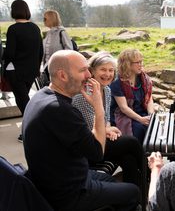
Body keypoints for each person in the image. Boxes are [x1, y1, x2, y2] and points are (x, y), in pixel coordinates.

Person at [22, 50, 140, 211]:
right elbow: (97, 152)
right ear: (63, 75)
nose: (88, 75)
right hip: (68, 193)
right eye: (83, 70)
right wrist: (98, 108)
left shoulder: (41, 96)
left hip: (58, 178)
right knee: (133, 192)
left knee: (113, 179)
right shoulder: (59, 109)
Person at [72, 51, 143, 186]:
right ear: (92, 71)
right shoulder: (84, 95)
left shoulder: (107, 90)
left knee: (129, 159)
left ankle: (136, 197)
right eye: (103, 70)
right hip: (90, 146)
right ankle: (151, 174)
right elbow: (90, 127)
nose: (108, 74)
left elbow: (106, 118)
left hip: (102, 137)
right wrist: (107, 130)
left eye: (111, 70)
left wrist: (109, 128)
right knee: (131, 142)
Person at [3, 0, 43, 142]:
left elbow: (10, 53)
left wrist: (3, 56)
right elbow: (40, 51)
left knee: (23, 102)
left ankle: (33, 131)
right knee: (24, 99)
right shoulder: (35, 28)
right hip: (31, 71)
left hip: (16, 71)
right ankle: (32, 130)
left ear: (13, 11)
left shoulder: (13, 29)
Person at [110, 48, 154, 143]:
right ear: (127, 64)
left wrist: (151, 114)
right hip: (124, 116)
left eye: (141, 61)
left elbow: (149, 98)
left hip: (142, 112)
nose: (140, 65)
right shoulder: (117, 82)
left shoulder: (143, 78)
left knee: (154, 126)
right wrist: (141, 119)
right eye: (137, 62)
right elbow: (123, 108)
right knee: (139, 129)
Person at [41, 10, 73, 81]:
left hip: (59, 69)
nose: (43, 21)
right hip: (47, 68)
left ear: (51, 19)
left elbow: (69, 50)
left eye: (45, 19)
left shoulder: (62, 32)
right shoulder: (48, 33)